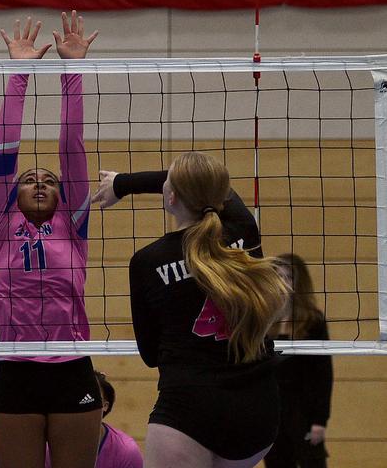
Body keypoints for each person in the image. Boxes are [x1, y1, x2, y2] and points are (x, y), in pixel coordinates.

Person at [94, 153, 289, 468]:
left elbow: (150, 355)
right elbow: (208, 181)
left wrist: (119, 185)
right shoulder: (242, 228)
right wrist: (124, 183)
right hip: (258, 411)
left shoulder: (147, 261)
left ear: (170, 197)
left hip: (190, 409)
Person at [0, 12, 103, 468]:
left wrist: (71, 70)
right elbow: (5, 147)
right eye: (29, 179)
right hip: (15, 369)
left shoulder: (73, 224)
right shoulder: (2, 222)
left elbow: (72, 147)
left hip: (72, 366)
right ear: (13, 192)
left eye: (49, 181)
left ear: (63, 193)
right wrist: (20, 74)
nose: (38, 183)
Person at [264, 253, 333, 468]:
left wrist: (319, 421)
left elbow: (323, 374)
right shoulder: (265, 320)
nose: (283, 282)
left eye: (289, 277)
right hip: (273, 411)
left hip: (303, 409)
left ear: (299, 281)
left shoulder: (313, 321)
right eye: (278, 276)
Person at [46, 370, 144, 468]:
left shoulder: (126, 451)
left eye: (89, 398)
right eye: (75, 396)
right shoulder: (49, 448)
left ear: (104, 406)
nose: (81, 403)